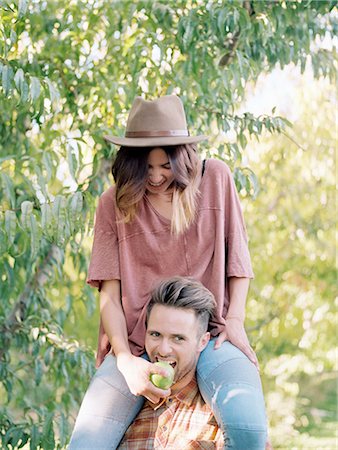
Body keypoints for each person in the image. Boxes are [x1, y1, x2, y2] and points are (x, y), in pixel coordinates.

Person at [69, 95, 267, 449]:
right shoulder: (112, 205)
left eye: (166, 165)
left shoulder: (216, 178)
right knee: (86, 443)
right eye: (147, 167)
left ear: (183, 157)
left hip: (209, 336)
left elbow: (238, 258)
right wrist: (126, 361)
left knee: (249, 429)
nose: (158, 176)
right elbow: (109, 297)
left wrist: (234, 320)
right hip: (137, 343)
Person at [118, 276, 224, 448]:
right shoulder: (123, 410)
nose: (163, 350)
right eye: (155, 334)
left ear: (202, 342)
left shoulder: (222, 415)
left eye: (178, 338)